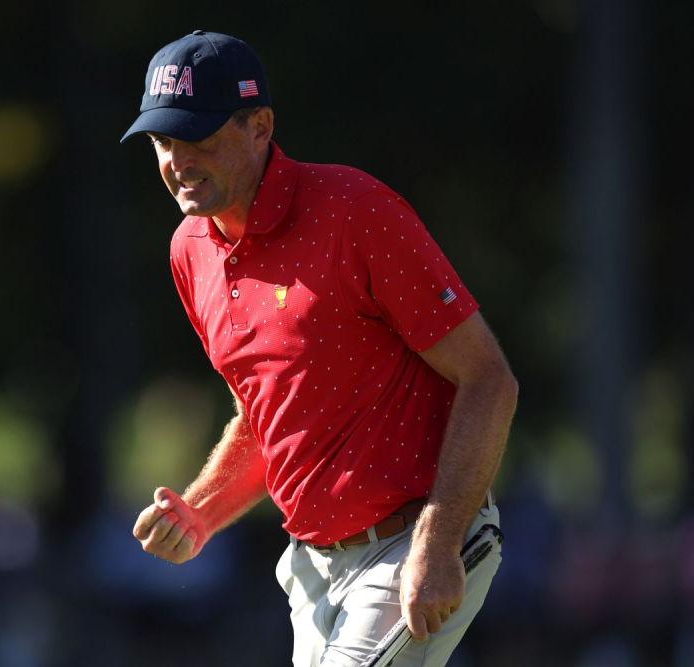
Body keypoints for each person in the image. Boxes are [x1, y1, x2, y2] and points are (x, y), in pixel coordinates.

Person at [121, 30, 518, 667]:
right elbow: (264, 416)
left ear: (259, 126)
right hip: (310, 570)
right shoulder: (188, 250)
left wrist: (438, 545)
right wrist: (201, 511)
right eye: (163, 142)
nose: (178, 161)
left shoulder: (354, 210)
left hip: (413, 544)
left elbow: (489, 380)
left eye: (198, 138)